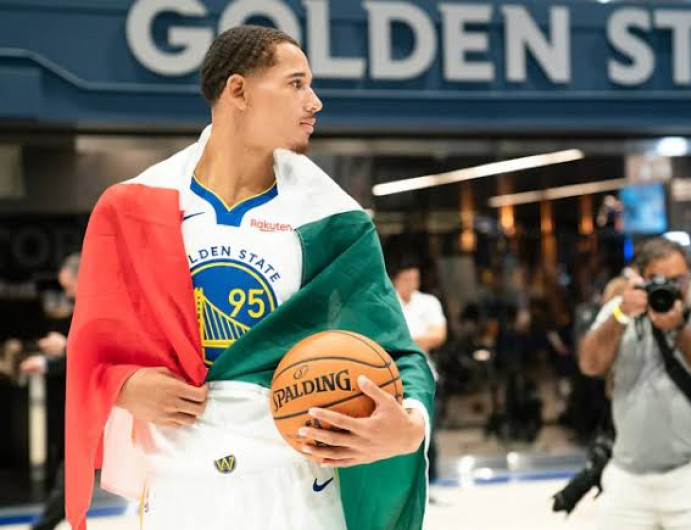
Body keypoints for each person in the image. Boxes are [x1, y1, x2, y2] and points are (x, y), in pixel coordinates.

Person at [65, 26, 434, 530]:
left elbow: (397, 351)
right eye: (296, 83)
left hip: (298, 484)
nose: (316, 102)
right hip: (179, 486)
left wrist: (411, 426)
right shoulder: (133, 206)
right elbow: (92, 350)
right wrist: (123, 385)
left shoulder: (333, 219)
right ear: (237, 91)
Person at [579, 237, 691, 530]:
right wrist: (619, 315)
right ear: (640, 280)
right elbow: (590, 364)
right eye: (659, 280)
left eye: (678, 279)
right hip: (627, 479)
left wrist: (680, 331)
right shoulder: (621, 311)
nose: (671, 287)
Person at [17, 253, 79, 530]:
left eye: (68, 287)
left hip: (114, 398)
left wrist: (64, 348)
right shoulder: (82, 306)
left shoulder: (100, 303)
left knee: (74, 469)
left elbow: (101, 350)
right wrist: (48, 360)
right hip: (94, 399)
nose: (67, 293)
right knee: (74, 469)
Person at [390, 260, 448, 494]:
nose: (412, 283)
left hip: (424, 375)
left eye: (416, 278)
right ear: (396, 279)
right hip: (391, 378)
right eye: (407, 279)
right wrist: (418, 340)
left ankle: (430, 484)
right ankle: (401, 487)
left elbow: (438, 335)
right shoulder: (385, 301)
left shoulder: (428, 302)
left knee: (428, 432)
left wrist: (402, 341)